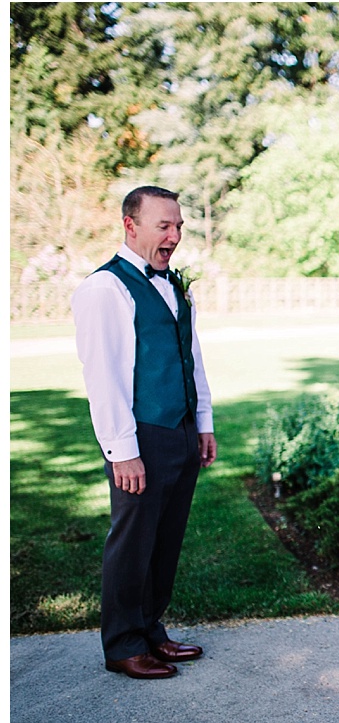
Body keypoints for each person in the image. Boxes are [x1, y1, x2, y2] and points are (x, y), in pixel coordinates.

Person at [72, 185, 216, 680]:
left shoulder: (176, 285)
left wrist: (203, 423)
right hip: (141, 435)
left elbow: (191, 357)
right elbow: (102, 375)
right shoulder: (103, 289)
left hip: (179, 430)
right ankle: (123, 644)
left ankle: (152, 631)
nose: (174, 235)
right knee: (132, 540)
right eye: (164, 226)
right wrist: (122, 451)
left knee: (166, 538)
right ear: (131, 226)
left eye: (178, 226)